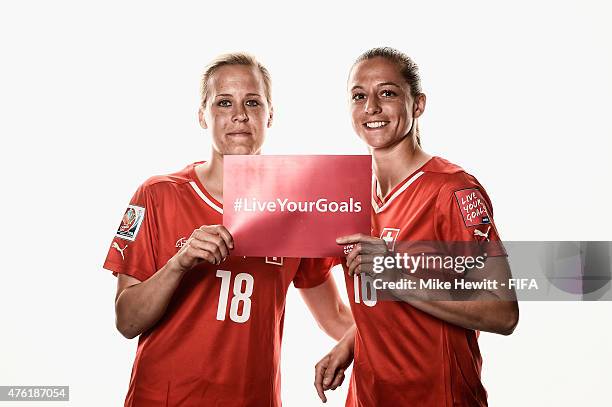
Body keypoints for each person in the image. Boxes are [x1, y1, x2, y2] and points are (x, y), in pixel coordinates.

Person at [103, 53, 353, 407]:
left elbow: (336, 317)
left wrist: (392, 340)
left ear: (270, 115)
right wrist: (180, 262)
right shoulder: (159, 193)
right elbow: (126, 321)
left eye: (252, 102)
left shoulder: (298, 207)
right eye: (224, 102)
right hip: (163, 398)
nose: (239, 114)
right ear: (202, 115)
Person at [314, 47, 519, 406]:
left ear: (418, 104)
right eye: (359, 96)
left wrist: (400, 279)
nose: (371, 107)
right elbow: (377, 305)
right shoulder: (347, 194)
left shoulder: (452, 190)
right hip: (367, 395)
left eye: (387, 93)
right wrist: (349, 343)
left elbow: (502, 312)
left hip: (439, 396)